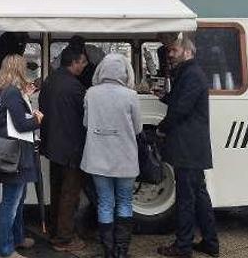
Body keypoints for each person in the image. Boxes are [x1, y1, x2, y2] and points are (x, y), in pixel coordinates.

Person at [155, 36, 219, 258]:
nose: (170, 54)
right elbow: (178, 100)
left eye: (174, 50)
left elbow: (181, 108)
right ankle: (210, 242)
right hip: (193, 145)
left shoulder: (190, 75)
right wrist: (163, 97)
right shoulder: (189, 73)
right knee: (199, 195)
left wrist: (162, 127)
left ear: (187, 51)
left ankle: (183, 247)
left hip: (188, 146)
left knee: (186, 198)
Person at [81, 54, 142, 258]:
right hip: (125, 157)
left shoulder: (91, 93)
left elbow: (86, 123)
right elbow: (138, 127)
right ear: (124, 73)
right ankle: (121, 250)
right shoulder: (131, 95)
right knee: (125, 201)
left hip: (98, 157)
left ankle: (107, 250)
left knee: (105, 202)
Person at [0, 54, 43, 258]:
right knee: (11, 203)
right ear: (18, 70)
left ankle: (18, 237)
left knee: (17, 200)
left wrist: (26, 97)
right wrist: (37, 119)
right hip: (16, 155)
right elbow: (21, 124)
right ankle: (5, 249)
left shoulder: (4, 91)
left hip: (12, 153)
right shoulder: (12, 93)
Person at [39, 46, 89, 252]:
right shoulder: (75, 87)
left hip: (51, 145)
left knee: (56, 190)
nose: (85, 66)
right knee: (70, 193)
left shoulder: (49, 81)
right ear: (74, 62)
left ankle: (53, 229)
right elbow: (83, 117)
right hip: (71, 147)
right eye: (83, 62)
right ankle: (64, 238)